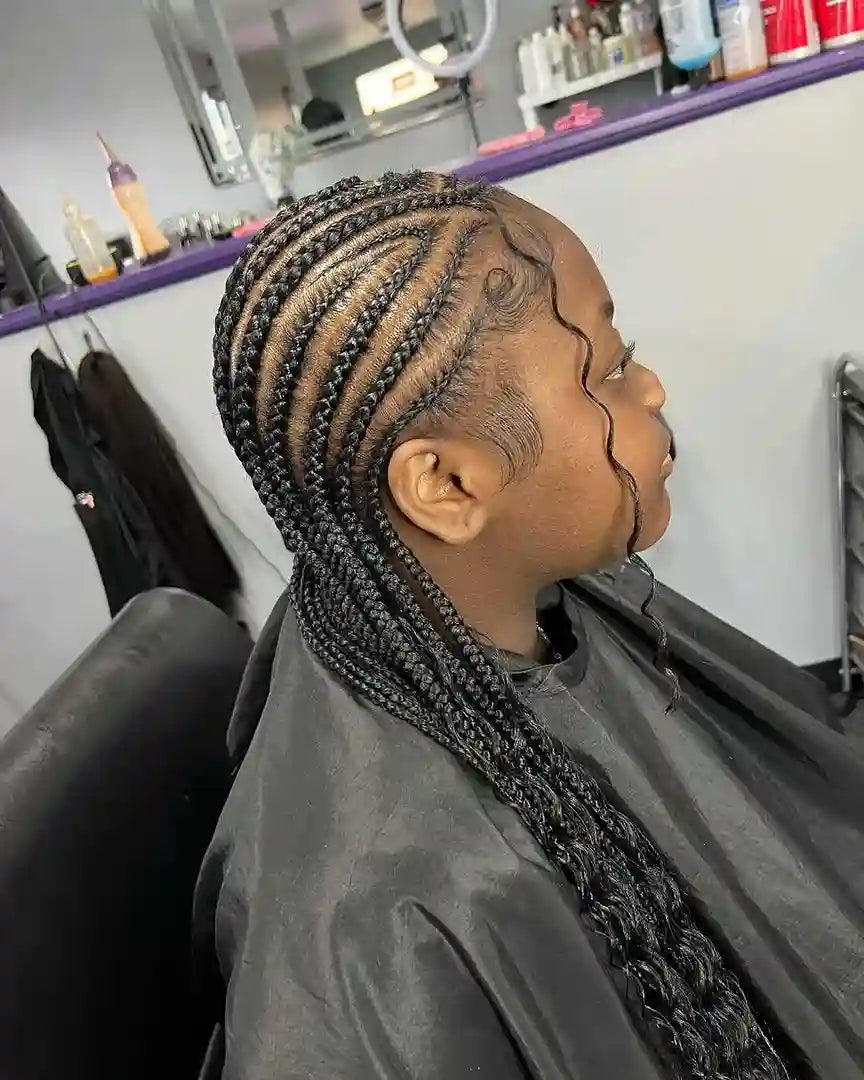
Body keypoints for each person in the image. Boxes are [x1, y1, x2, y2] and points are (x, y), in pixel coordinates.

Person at [194, 171, 864, 1079]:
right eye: (610, 371)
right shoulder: (373, 925)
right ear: (447, 485)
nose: (652, 388)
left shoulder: (477, 606)